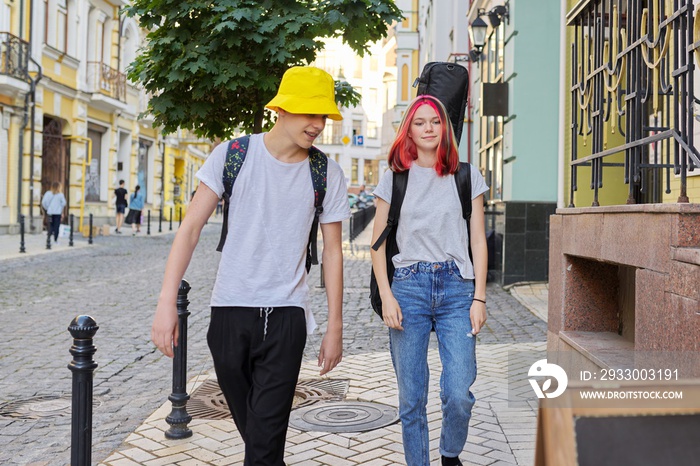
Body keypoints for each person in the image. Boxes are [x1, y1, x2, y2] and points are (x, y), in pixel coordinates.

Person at [151, 66, 350, 465]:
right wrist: (166, 302)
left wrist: (335, 326)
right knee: (259, 436)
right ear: (282, 110)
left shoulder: (325, 172)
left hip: (286, 316)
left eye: (323, 116)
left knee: (264, 438)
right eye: (309, 114)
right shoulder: (233, 154)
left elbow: (332, 252)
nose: (318, 125)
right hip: (229, 310)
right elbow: (190, 228)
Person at [370, 95, 489, 466]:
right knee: (412, 398)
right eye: (420, 122)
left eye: (435, 122)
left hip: (457, 288)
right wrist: (388, 297)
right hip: (408, 288)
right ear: (409, 129)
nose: (428, 129)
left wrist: (480, 297)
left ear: (445, 128)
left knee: (459, 392)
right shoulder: (394, 179)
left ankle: (449, 452)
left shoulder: (466, 175)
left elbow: (478, 241)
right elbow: (377, 246)